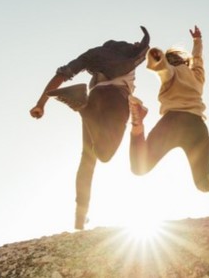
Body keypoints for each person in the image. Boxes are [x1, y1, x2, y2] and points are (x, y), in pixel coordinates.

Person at [30, 26, 150, 230]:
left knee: (87, 159)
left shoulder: (92, 55)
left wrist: (41, 103)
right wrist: (141, 43)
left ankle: (79, 218)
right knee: (104, 154)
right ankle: (81, 107)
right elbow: (146, 47)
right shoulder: (130, 52)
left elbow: (62, 74)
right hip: (117, 100)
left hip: (95, 98)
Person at [127, 25, 209, 214]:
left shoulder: (170, 72)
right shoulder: (197, 76)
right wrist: (197, 41)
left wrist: (158, 58)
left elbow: (164, 70)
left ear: (170, 61)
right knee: (202, 181)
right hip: (197, 126)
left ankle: (137, 123)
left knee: (139, 167)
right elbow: (198, 60)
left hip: (172, 123)